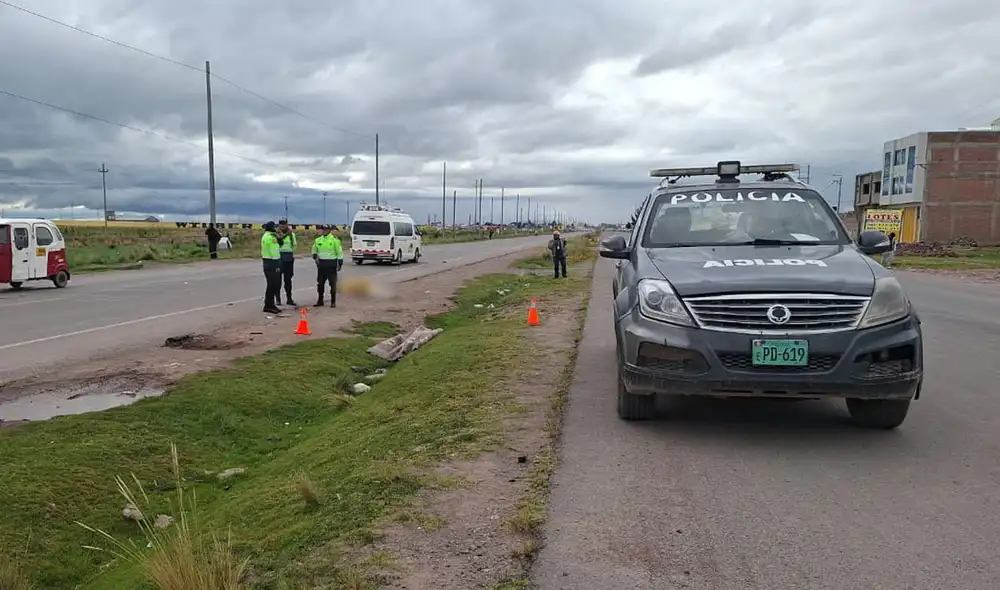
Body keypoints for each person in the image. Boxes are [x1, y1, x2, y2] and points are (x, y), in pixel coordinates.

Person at [312, 225, 344, 307]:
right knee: (320, 284)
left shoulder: (335, 240)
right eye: (323, 230)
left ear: (329, 230)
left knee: (332, 284)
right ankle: (320, 301)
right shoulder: (318, 240)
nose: (324, 231)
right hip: (321, 264)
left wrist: (340, 262)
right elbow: (314, 249)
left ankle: (333, 302)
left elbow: (339, 252)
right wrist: (315, 256)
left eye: (326, 230)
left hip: (331, 264)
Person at [260, 221, 283, 314]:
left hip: (267, 261)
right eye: (275, 227)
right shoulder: (271, 238)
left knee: (271, 285)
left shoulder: (265, 236)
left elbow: (280, 244)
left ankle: (269, 304)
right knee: (273, 285)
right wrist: (277, 264)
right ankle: (269, 305)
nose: (277, 229)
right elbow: (274, 252)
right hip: (272, 262)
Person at [276, 218, 297, 306]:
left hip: (288, 258)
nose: (282, 225)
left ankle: (289, 298)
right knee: (277, 280)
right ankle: (278, 299)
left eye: (284, 224)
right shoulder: (275, 234)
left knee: (288, 280)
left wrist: (290, 253)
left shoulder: (291, 234)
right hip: (278, 258)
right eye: (281, 224)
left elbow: (294, 245)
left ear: (287, 224)